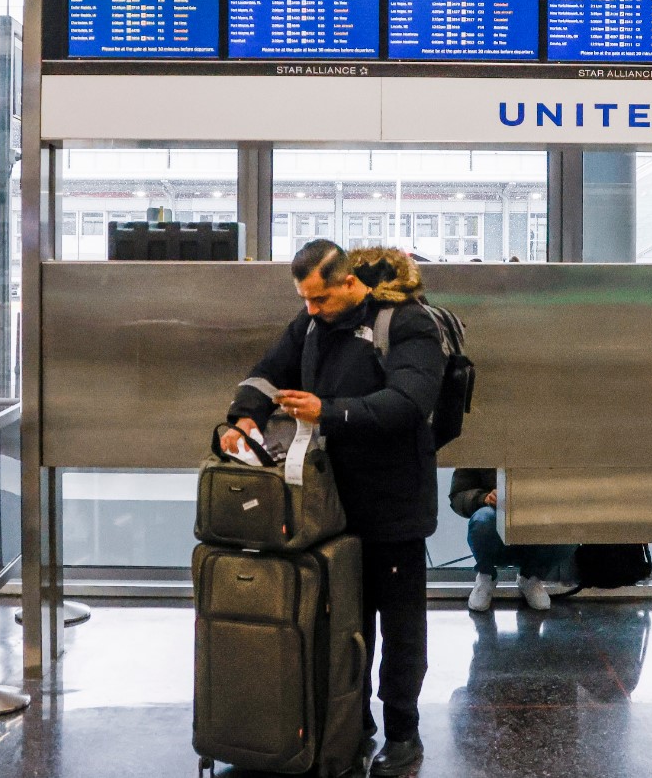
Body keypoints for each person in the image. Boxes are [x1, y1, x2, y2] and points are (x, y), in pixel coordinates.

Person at [221, 240, 445, 778]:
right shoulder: (313, 323)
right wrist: (242, 416)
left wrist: (329, 412)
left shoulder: (409, 323)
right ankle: (353, 721)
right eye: (304, 300)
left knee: (400, 627)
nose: (309, 311)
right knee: (344, 620)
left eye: (318, 299)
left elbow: (408, 404)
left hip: (394, 507)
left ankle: (403, 732)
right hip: (329, 508)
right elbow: (268, 370)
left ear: (349, 283)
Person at [450, 468, 576, 612]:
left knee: (568, 532)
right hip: (495, 510)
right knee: (482, 521)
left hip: (538, 509)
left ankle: (531, 577)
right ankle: (486, 576)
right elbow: (458, 494)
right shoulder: (478, 446)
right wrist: (483, 498)